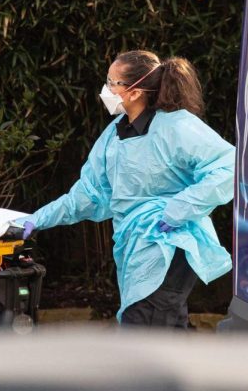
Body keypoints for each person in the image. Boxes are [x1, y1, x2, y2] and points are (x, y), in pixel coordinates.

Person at [15, 51, 234, 328]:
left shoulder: (176, 126)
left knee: (144, 328)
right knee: (159, 328)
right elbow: (88, 195)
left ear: (134, 92)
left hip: (169, 244)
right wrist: (37, 219)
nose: (106, 89)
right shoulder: (114, 135)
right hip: (135, 245)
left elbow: (228, 167)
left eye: (112, 82)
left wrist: (178, 211)